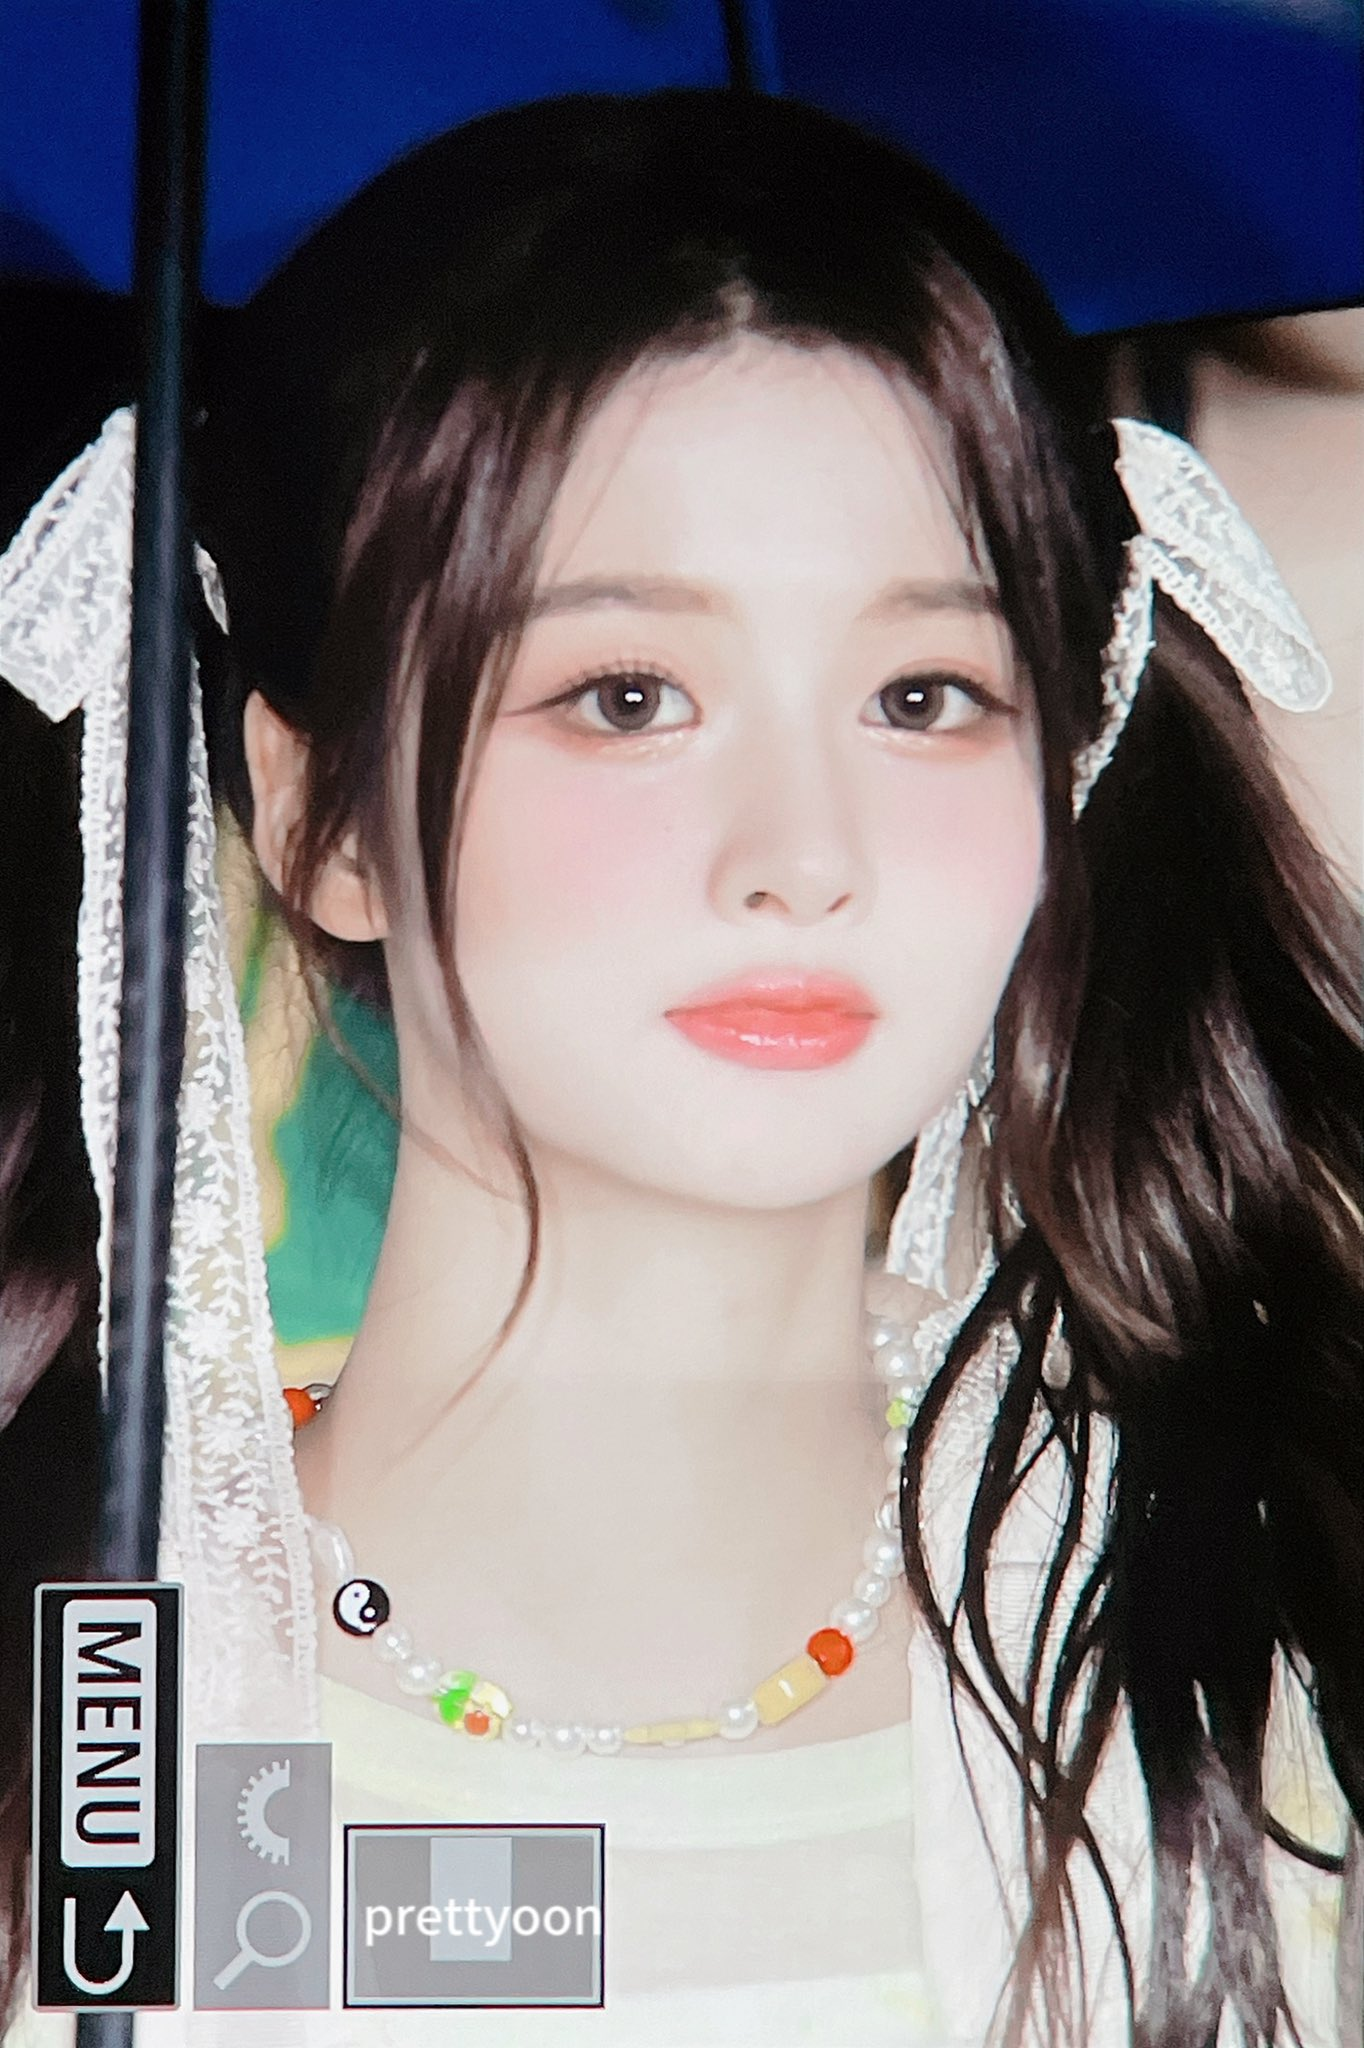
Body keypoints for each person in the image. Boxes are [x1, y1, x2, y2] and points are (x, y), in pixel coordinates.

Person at [0, 87, 1359, 2048]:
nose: (801, 854)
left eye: (924, 696)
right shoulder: (99, 1731)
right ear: (319, 814)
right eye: (627, 697)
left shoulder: (1257, 1663)